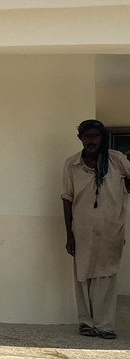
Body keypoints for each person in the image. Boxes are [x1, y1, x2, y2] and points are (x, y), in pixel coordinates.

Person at [62, 119, 130, 339]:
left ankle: (105, 325)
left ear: (102, 138)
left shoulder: (117, 160)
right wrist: (69, 234)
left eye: (96, 136)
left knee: (107, 276)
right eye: (87, 135)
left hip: (111, 230)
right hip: (82, 230)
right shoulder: (71, 164)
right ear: (80, 138)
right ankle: (85, 322)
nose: (91, 140)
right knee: (82, 276)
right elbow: (67, 199)